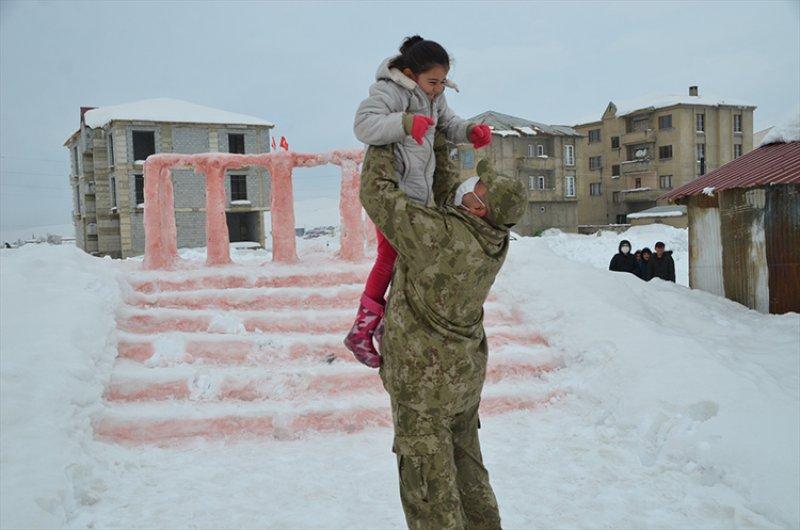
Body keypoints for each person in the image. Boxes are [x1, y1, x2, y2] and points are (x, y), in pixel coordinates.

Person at [360, 135, 526, 529]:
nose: (471, 184)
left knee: (428, 488)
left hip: (424, 385)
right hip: (461, 382)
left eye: (479, 186)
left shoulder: (440, 237)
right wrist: (433, 143)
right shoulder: (491, 238)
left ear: (480, 206)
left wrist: (386, 135)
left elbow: (376, 192)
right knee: (468, 472)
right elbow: (449, 194)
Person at [344, 35, 492, 366]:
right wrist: (404, 123)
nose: (438, 88)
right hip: (394, 195)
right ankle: (361, 330)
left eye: (442, 82)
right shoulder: (390, 91)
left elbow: (448, 125)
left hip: (419, 199)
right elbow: (363, 124)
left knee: (409, 260)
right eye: (432, 81)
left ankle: (385, 322)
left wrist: (470, 131)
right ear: (411, 74)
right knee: (389, 256)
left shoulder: (434, 99)